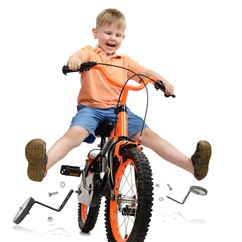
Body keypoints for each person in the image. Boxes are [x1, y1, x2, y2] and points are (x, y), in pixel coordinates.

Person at [25, 8, 211, 182]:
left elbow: (145, 72)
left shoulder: (124, 61)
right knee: (74, 135)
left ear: (123, 37)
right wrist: (75, 61)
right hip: (91, 109)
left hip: (119, 111)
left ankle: (192, 166)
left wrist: (162, 82)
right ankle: (43, 166)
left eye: (117, 34)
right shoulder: (90, 53)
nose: (112, 38)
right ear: (95, 33)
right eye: (107, 33)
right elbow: (78, 56)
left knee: (151, 137)